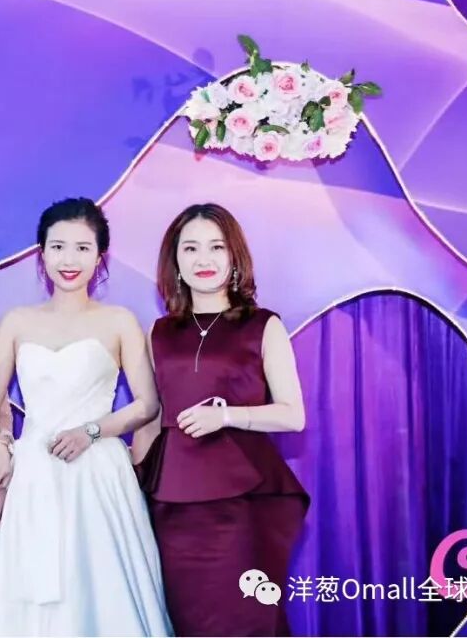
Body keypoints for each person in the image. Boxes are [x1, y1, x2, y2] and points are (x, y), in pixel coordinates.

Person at [0, 197, 172, 637]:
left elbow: (147, 404)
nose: (69, 260)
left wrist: (93, 431)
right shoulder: (16, 322)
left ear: (100, 256)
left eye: (82, 248)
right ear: (42, 253)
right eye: (57, 247)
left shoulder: (119, 321)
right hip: (31, 475)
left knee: (99, 593)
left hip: (98, 473)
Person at [135, 203, 309, 637]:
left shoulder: (263, 325)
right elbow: (152, 416)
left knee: (246, 616)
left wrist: (227, 416)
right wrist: (133, 484)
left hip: (241, 500)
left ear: (234, 255)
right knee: (187, 618)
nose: (204, 259)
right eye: (190, 248)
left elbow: (293, 415)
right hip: (172, 503)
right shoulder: (158, 332)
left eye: (216, 247)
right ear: (175, 260)